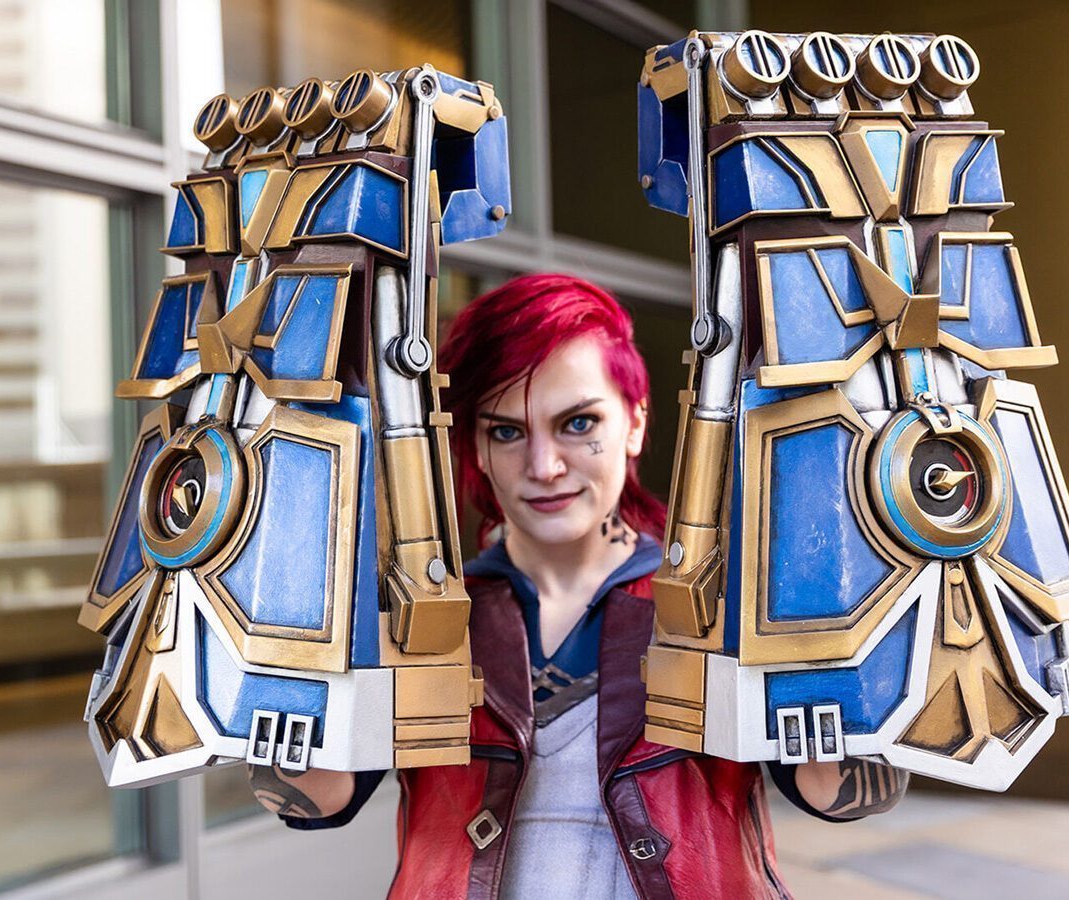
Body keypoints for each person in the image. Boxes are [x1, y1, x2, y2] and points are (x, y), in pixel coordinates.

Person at [248, 274, 907, 899]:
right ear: (475, 447)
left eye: (578, 423)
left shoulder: (720, 606)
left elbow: (836, 791)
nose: (543, 466)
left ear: (636, 422)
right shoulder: (416, 617)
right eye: (507, 431)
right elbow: (318, 795)